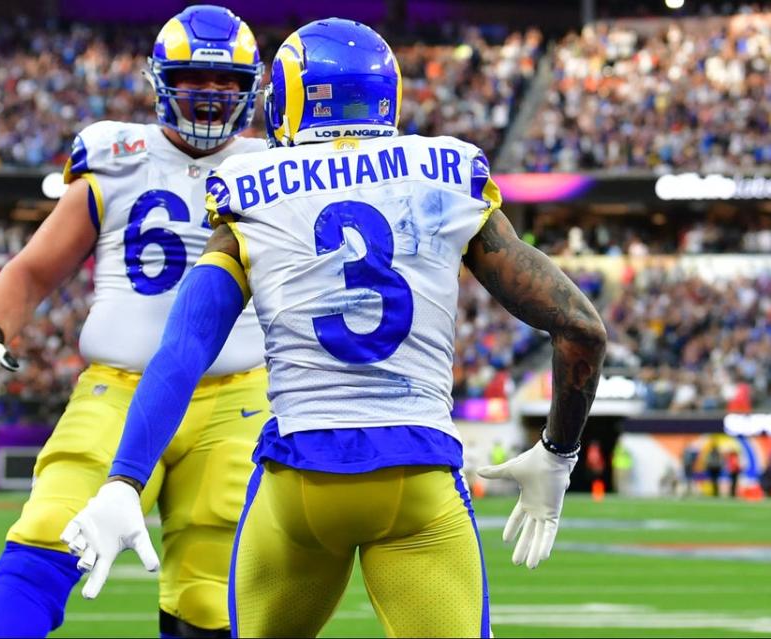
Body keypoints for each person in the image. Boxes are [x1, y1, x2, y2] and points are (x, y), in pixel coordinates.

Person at [62, 18, 607, 638]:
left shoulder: (249, 189)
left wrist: (125, 480)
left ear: (292, 97)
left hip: (299, 481)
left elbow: (183, 350)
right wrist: (559, 453)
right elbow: (580, 328)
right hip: (418, 480)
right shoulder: (445, 173)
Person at [0, 6, 270, 638]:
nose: (208, 97)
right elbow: (34, 269)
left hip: (238, 402)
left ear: (249, 89)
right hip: (120, 387)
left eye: (224, 83)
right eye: (193, 79)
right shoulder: (116, 155)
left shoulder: (276, 164)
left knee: (215, 596)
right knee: (48, 536)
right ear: (160, 79)